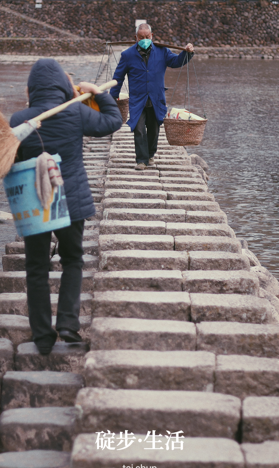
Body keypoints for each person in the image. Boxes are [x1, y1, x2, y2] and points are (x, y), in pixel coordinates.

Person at [10, 58, 122, 355]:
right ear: (63, 85)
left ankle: (42, 336)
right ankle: (69, 325)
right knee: (72, 260)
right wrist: (98, 93)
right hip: (70, 198)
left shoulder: (19, 120)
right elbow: (113, 121)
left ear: (32, 89)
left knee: (36, 267)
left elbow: (9, 161)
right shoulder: (76, 111)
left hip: (37, 201)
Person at [110, 23, 194, 170]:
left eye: (147, 37)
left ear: (152, 36)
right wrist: (113, 97)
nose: (144, 39)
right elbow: (118, 77)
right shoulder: (127, 55)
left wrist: (187, 53)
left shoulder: (162, 51)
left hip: (156, 98)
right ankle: (141, 160)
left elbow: (176, 62)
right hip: (137, 100)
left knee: (154, 130)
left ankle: (150, 155)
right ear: (135, 38)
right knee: (139, 129)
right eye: (141, 37)